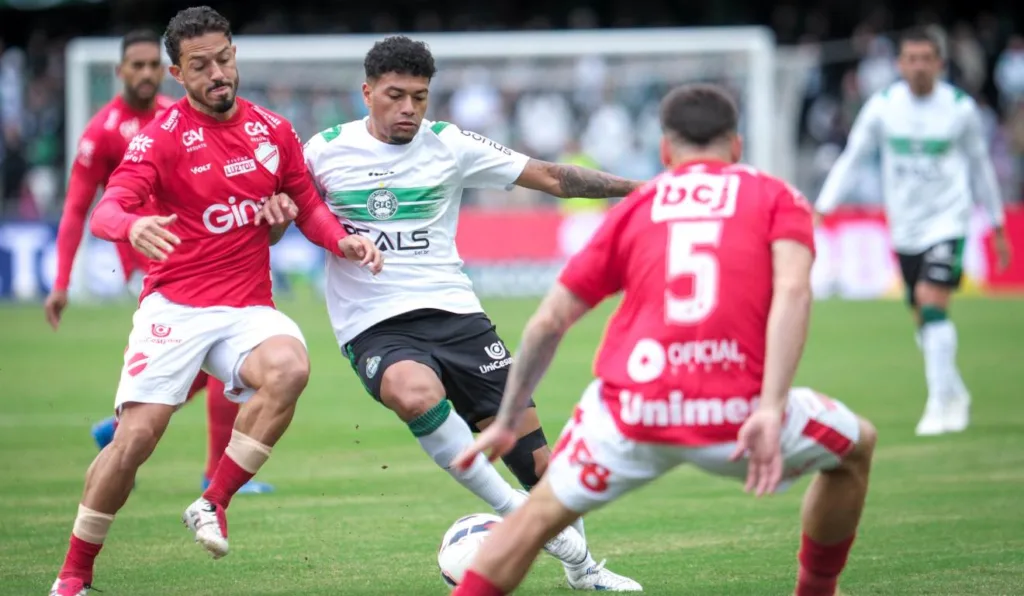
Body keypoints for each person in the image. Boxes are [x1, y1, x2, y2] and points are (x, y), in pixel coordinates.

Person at [448, 83, 879, 596]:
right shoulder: (777, 197)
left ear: (665, 150)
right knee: (856, 448)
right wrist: (771, 406)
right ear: (736, 145)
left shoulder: (639, 206)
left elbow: (549, 320)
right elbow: (793, 294)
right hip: (735, 415)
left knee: (532, 521)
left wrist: (508, 419)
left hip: (632, 412)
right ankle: (816, 590)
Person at [48, 7, 383, 596]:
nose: (217, 74)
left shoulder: (273, 131)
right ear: (178, 73)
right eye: (200, 66)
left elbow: (306, 205)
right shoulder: (161, 139)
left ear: (235, 56)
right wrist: (129, 227)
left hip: (245, 308)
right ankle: (74, 574)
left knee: (290, 368)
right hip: (174, 307)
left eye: (224, 60)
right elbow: (104, 207)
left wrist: (343, 240)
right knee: (135, 442)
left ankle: (213, 501)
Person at [302, 35, 642, 591]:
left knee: (542, 467)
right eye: (395, 96)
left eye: (419, 96)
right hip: (374, 322)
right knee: (414, 393)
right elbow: (287, 215)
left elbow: (555, 178)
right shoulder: (323, 151)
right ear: (367, 93)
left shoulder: (450, 143)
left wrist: (643, 190)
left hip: (458, 314)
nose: (409, 108)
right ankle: (514, 512)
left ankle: (583, 570)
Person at [42, 29, 272, 495]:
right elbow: (77, 209)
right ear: (120, 72)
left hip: (199, 255)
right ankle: (208, 469)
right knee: (221, 362)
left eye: (152, 65)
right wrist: (62, 282)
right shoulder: (101, 133)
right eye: (138, 66)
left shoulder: (178, 115)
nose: (146, 74)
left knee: (220, 362)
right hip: (151, 264)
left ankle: (125, 428)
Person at [814, 27, 1011, 436]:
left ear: (940, 64)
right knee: (922, 315)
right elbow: (853, 157)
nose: (919, 66)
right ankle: (954, 391)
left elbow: (980, 168)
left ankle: (939, 406)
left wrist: (995, 223)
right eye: (912, 59)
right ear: (900, 64)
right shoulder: (883, 107)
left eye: (927, 59)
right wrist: (824, 206)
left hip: (948, 221)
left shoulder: (959, 109)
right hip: (903, 226)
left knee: (931, 301)